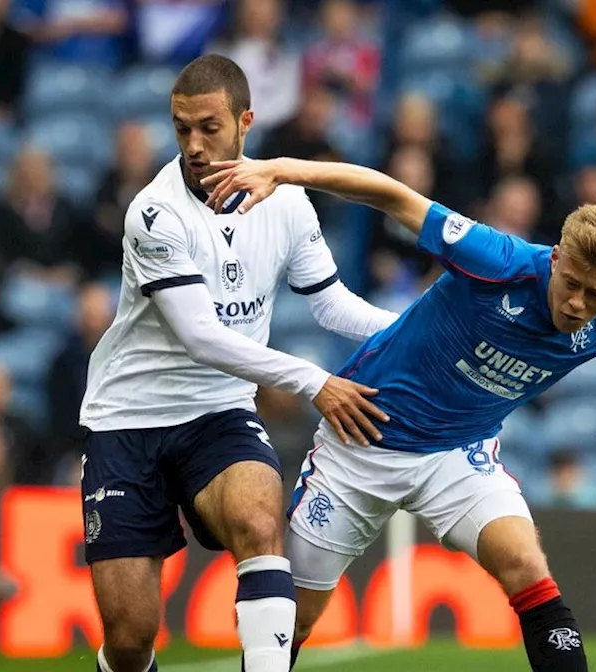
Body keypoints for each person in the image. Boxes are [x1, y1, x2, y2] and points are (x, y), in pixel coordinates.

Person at [197, 156, 596, 672]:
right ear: (557, 258)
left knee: (526, 568)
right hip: (360, 440)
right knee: (297, 620)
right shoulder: (497, 260)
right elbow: (392, 195)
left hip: (459, 455)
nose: (578, 305)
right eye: (572, 285)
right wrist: (283, 169)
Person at [77, 54, 396, 672]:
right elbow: (203, 337)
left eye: (209, 127)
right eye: (181, 129)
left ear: (245, 122)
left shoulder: (286, 201)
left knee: (258, 516)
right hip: (127, 419)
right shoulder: (153, 213)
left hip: (217, 411)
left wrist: (420, 331)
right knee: (131, 637)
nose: (194, 145)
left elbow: (331, 305)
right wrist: (316, 382)